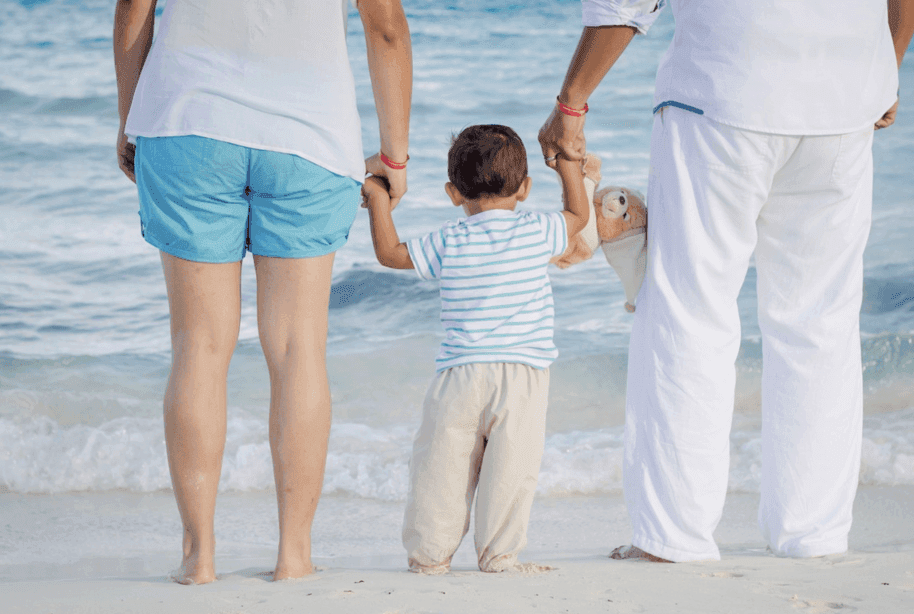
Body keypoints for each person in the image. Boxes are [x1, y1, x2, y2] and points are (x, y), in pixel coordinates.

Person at [538, 0, 914, 562]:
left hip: (723, 90)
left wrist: (571, 103)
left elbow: (624, 4)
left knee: (690, 313)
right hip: (844, 98)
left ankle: (674, 536)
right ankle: (812, 533)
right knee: (820, 322)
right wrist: (885, 66)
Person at [113, 0, 412, 583]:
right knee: (299, 348)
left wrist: (133, 118)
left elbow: (132, 11)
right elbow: (387, 28)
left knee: (198, 347)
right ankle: (293, 555)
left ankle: (199, 557)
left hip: (186, 124)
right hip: (310, 137)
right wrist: (394, 153)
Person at [361, 125, 590, 573]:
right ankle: (499, 555)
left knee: (441, 467)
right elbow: (578, 216)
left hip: (459, 374)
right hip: (523, 373)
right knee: (512, 468)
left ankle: (429, 556)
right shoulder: (539, 231)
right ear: (524, 189)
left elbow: (389, 253)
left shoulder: (448, 240)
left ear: (452, 193)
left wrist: (377, 197)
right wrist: (567, 166)